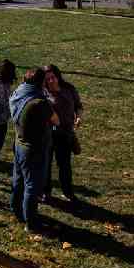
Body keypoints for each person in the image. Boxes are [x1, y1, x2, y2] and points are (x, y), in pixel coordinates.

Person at [9, 69, 57, 233]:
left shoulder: (18, 92)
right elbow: (55, 119)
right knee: (32, 186)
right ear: (40, 82)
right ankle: (31, 222)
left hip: (19, 142)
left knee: (18, 179)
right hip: (34, 148)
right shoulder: (39, 102)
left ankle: (16, 210)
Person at [42, 65, 84, 204]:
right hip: (49, 134)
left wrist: (78, 117)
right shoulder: (43, 94)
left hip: (65, 134)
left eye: (53, 77)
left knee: (64, 165)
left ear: (58, 76)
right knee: (46, 164)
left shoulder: (69, 89)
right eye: (47, 79)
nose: (51, 81)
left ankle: (68, 192)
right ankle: (45, 192)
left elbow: (78, 105)